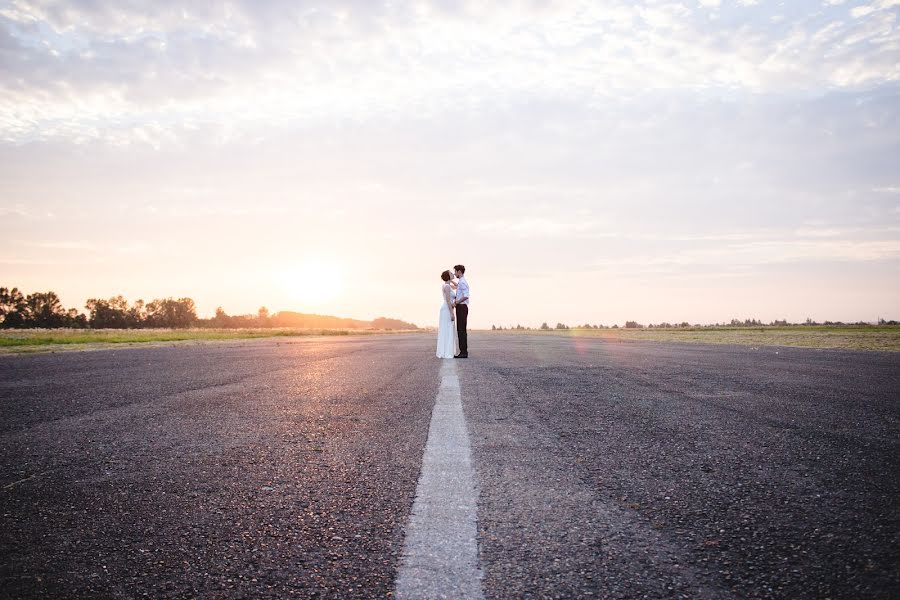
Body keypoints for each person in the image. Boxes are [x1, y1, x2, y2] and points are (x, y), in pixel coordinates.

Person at [436, 270, 459, 359]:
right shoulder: (446, 286)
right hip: (446, 309)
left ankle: (447, 350)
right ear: (447, 276)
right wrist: (451, 313)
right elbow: (449, 301)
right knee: (447, 329)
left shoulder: (448, 286)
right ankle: (445, 352)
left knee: (448, 330)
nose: (453, 274)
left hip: (447, 308)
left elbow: (457, 286)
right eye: (451, 273)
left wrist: (451, 279)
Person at [453, 264, 469, 358]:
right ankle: (463, 351)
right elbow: (457, 287)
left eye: (455, 271)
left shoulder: (462, 282)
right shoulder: (461, 282)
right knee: (461, 330)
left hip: (462, 307)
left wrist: (456, 303)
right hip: (461, 307)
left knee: (461, 330)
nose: (455, 273)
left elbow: (466, 296)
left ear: (459, 272)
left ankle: (463, 352)